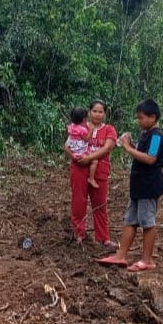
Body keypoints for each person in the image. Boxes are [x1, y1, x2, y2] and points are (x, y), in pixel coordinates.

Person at [98, 100, 163, 272]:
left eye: (141, 118)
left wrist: (129, 148)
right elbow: (143, 154)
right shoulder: (146, 133)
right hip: (138, 186)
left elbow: (150, 158)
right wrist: (131, 145)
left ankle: (147, 259)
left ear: (153, 117)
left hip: (149, 186)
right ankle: (121, 255)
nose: (139, 121)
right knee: (130, 220)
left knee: (147, 222)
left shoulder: (156, 135)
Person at [69, 99, 118, 246]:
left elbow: (107, 148)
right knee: (78, 202)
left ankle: (103, 238)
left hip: (100, 170)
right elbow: (69, 144)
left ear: (105, 113)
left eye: (100, 111)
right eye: (94, 111)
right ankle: (79, 235)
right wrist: (73, 156)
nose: (97, 114)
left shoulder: (109, 129)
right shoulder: (80, 126)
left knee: (100, 205)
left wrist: (89, 157)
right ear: (89, 112)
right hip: (79, 169)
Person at [65, 107, 99, 189]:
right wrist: (91, 130)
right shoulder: (82, 130)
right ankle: (91, 178)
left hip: (73, 151)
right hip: (81, 152)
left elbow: (68, 143)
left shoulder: (71, 127)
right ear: (84, 119)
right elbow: (86, 139)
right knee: (94, 161)